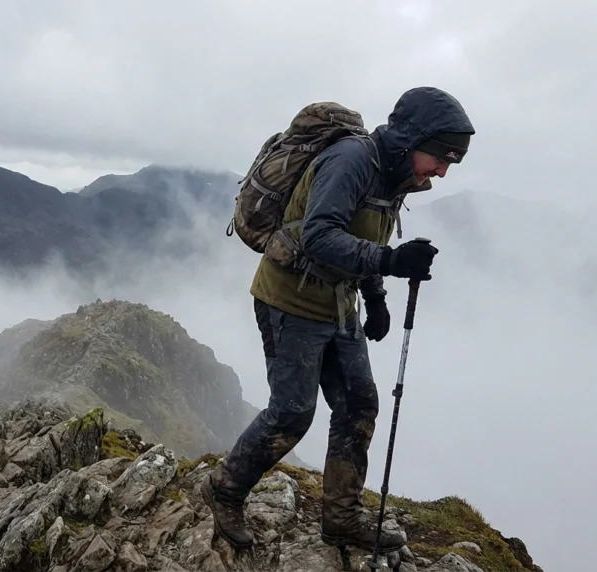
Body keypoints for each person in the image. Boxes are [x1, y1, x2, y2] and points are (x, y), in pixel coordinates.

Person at [202, 86, 475, 552]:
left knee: (358, 404)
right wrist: (390, 262)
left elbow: (364, 235)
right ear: (412, 141)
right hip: (289, 300)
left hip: (338, 304)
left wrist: (376, 298)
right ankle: (224, 489)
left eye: (451, 163)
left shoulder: (394, 177)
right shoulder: (351, 160)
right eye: (440, 158)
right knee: (292, 412)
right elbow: (320, 235)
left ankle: (342, 518)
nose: (442, 172)